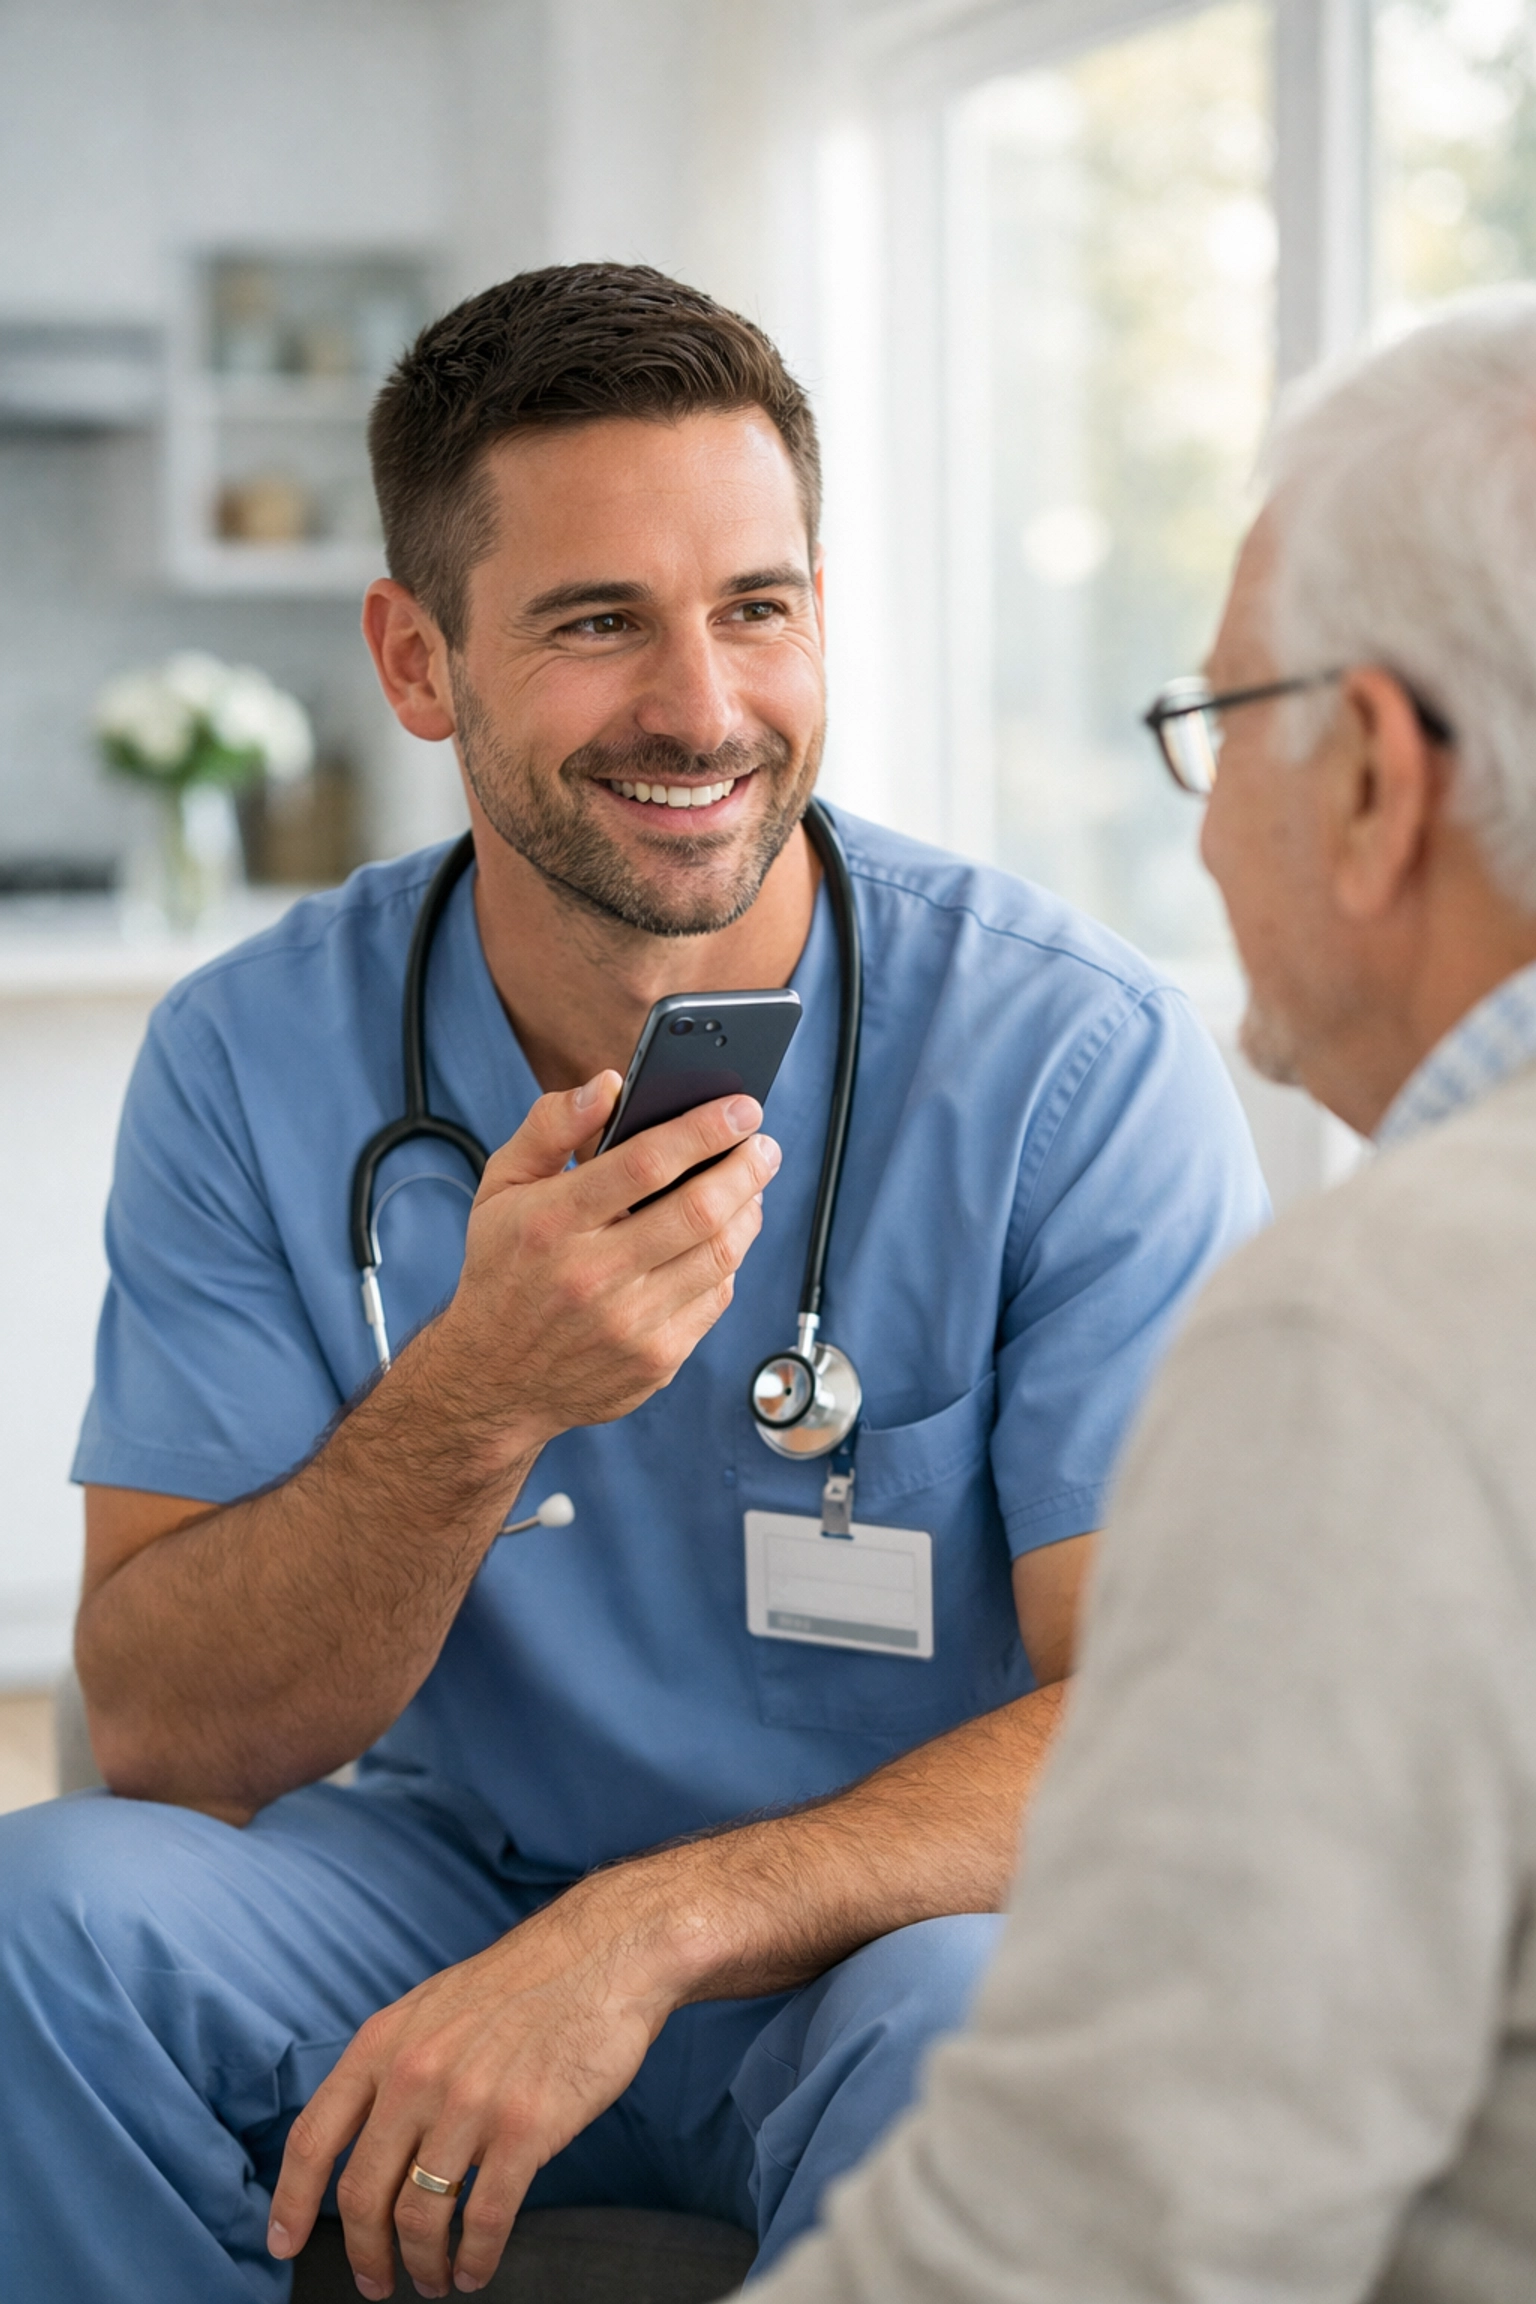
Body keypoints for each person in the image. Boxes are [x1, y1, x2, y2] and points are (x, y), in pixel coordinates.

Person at [0, 264, 1263, 2304]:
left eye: (754, 607)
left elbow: (1170, 1724)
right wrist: (480, 1394)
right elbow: (157, 1736)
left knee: (978, 2026)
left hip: (878, 1933)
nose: (701, 706)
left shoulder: (1068, 1061)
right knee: (39, 1923)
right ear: (418, 661)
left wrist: (648, 1931)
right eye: (598, 622)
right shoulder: (251, 1054)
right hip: (436, 1892)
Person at [740, 285, 1536, 2304]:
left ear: (1373, 778)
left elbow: (1109, 2234)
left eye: (1224, 718)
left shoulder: (1378, 1331)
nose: (1204, 815)